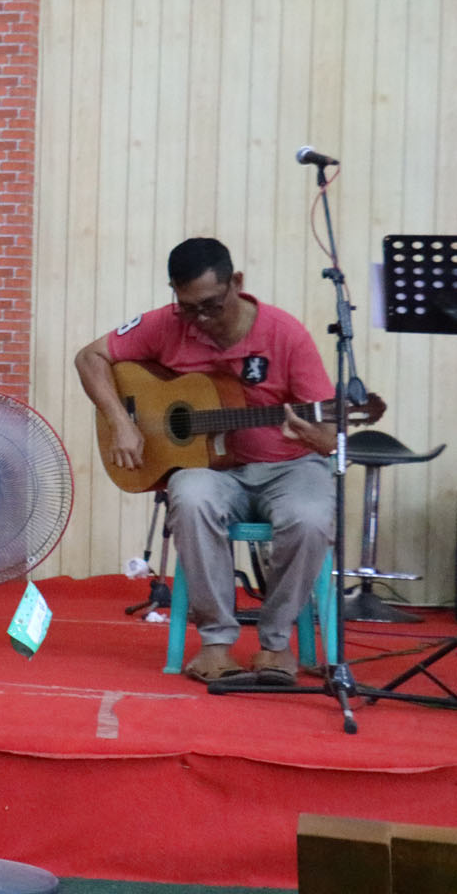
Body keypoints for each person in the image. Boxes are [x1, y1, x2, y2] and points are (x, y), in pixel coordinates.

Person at [74, 237, 335, 686]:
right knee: (190, 495)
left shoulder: (285, 334)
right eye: (189, 308)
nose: (202, 319)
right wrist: (120, 422)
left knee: (310, 518)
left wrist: (317, 436)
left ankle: (276, 642)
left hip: (289, 468)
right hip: (216, 472)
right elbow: (89, 357)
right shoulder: (168, 323)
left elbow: (330, 436)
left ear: (237, 283)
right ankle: (215, 642)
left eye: (213, 305)